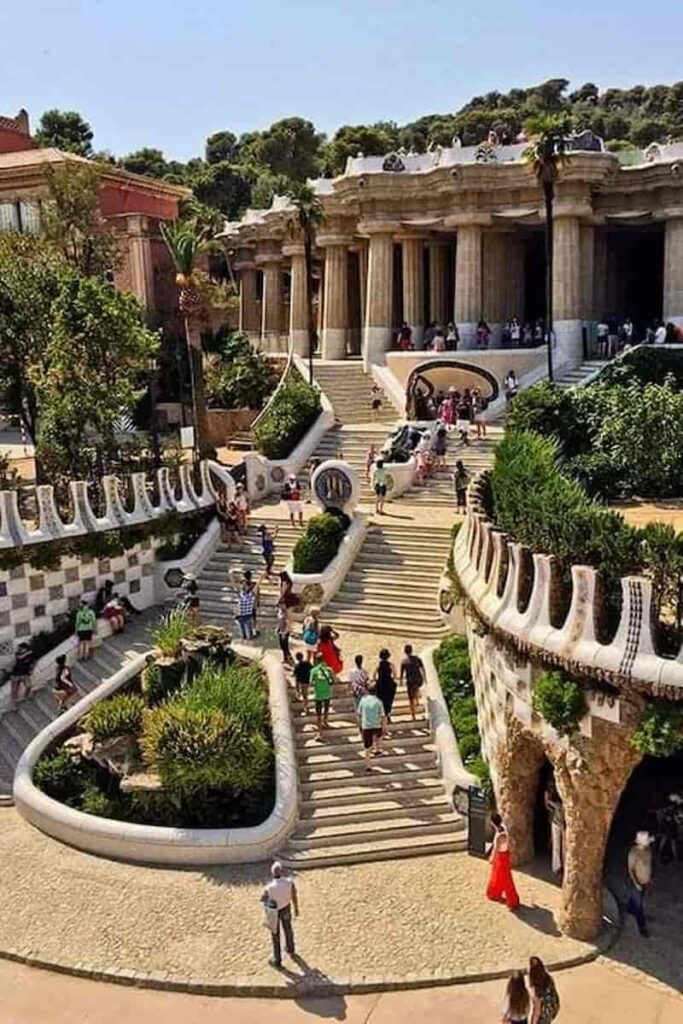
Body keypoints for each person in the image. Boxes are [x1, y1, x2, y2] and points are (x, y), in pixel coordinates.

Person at [260, 861, 299, 969]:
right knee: (288, 928)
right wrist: (296, 908)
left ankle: (277, 959)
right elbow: (294, 895)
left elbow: (263, 899)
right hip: (286, 908)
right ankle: (290, 948)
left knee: (275, 935)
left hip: (274, 912)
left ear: (272, 874)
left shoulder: (269, 888)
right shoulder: (289, 883)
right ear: (282, 872)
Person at [486, 813, 520, 910]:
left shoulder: (498, 836)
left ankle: (512, 901)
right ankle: (495, 893)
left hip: (500, 857)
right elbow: (511, 844)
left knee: (505, 879)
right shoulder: (504, 830)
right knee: (500, 876)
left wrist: (491, 858)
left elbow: (496, 849)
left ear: (492, 823)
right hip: (505, 855)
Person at [625, 830, 653, 937]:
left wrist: (650, 878)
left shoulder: (648, 850)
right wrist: (636, 883)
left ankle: (628, 908)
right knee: (639, 906)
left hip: (645, 881)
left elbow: (649, 865)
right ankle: (642, 927)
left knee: (637, 898)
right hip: (637, 882)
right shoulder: (633, 853)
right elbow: (630, 869)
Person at [357, 684, 386, 769]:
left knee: (367, 747)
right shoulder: (379, 701)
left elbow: (359, 714)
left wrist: (359, 725)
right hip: (376, 724)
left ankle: (368, 765)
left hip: (366, 725)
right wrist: (384, 726)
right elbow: (383, 715)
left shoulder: (363, 700)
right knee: (379, 736)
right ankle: (377, 749)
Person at [528, 957, 560, 1023]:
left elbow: (537, 1011)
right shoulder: (549, 978)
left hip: (542, 1016)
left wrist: (533, 1022)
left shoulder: (536, 987)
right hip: (550, 1011)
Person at [544, 782, 565, 878]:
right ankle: (559, 867)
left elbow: (547, 803)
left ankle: (557, 867)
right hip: (560, 825)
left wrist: (546, 795)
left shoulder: (557, 804)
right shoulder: (561, 804)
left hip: (557, 824)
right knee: (560, 847)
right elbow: (548, 804)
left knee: (557, 847)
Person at [310, 651, 334, 736]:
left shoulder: (314, 670)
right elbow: (332, 680)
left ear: (316, 661)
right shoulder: (329, 669)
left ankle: (319, 732)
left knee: (318, 713)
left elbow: (311, 682)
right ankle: (325, 722)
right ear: (323, 660)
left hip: (318, 695)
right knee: (326, 709)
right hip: (327, 693)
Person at [400, 643, 425, 720]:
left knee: (411, 699)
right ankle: (417, 699)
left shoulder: (404, 661)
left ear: (405, 651)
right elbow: (422, 669)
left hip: (410, 681)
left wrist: (401, 681)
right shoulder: (418, 659)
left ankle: (413, 715)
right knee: (416, 689)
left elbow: (401, 673)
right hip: (418, 679)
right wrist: (425, 678)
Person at [374, 648, 397, 730]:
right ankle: (388, 715)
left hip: (381, 685)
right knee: (389, 701)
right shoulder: (391, 665)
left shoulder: (378, 665)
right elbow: (395, 674)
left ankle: (382, 717)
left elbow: (374, 675)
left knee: (381, 701)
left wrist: (377, 680)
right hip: (388, 684)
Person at [10, 641, 34, 707]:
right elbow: (20, 657)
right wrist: (28, 653)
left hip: (24, 674)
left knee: (28, 686)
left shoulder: (30, 654)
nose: (18, 649)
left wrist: (31, 670)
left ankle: (25, 697)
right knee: (14, 691)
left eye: (20, 648)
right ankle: (14, 705)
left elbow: (32, 662)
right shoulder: (18, 654)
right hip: (15, 674)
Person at [276, 600, 293, 667]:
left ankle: (286, 658)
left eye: (281, 605)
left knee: (284, 645)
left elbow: (287, 623)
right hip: (281, 630)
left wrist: (284, 633)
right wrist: (278, 628)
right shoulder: (280, 611)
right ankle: (287, 657)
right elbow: (279, 621)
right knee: (282, 645)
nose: (280, 606)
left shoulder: (286, 613)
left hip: (285, 631)